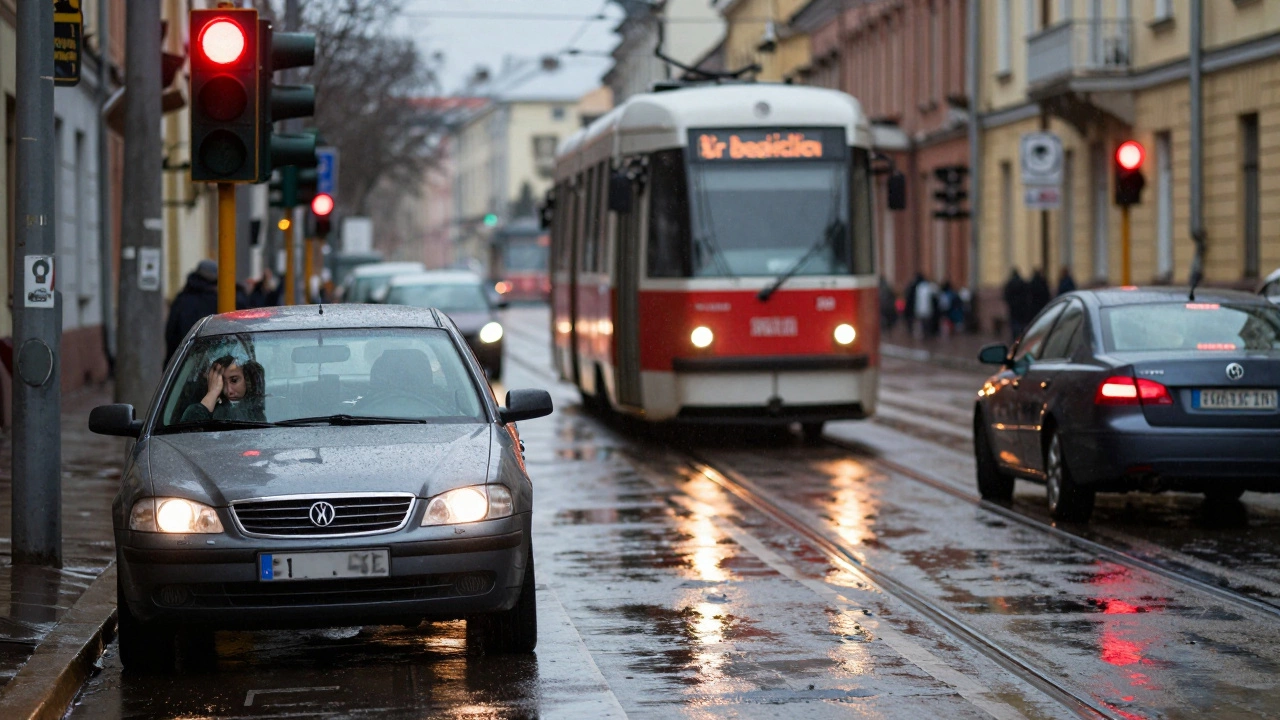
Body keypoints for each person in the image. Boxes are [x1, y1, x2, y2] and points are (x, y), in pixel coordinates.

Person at [180, 355, 266, 423]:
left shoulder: (256, 409)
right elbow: (187, 434)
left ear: (247, 380)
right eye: (222, 383)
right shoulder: (217, 411)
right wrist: (212, 393)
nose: (228, 391)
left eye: (234, 380)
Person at [165, 260, 219, 364]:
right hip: (210, 362)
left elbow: (171, 335)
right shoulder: (216, 301)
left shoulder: (182, 299)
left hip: (182, 363)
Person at [1003, 269, 1029, 339]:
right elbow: (1027, 294)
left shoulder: (1010, 283)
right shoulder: (1022, 282)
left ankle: (1015, 338)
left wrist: (1010, 302)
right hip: (1022, 308)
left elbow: (1006, 295)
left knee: (1014, 324)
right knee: (1021, 325)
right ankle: (1020, 337)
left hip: (1013, 308)